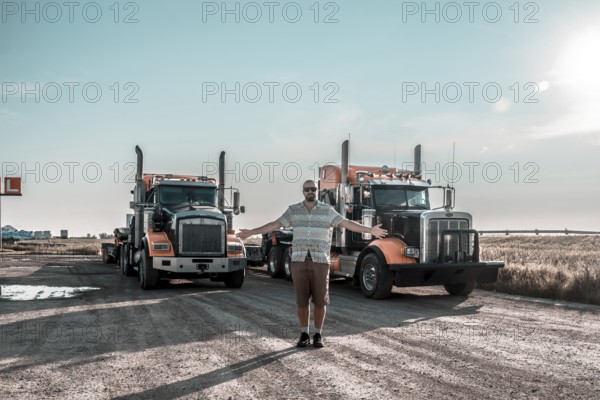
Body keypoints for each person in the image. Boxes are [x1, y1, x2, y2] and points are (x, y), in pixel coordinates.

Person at [237, 180, 387, 348]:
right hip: (299, 261)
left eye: (313, 189)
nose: (311, 191)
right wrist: (252, 231)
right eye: (307, 189)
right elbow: (276, 224)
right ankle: (303, 333)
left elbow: (346, 223)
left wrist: (370, 230)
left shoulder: (327, 210)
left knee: (320, 301)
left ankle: (318, 335)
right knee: (301, 301)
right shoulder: (293, 210)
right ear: (303, 192)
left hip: (320, 261)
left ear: (317, 191)